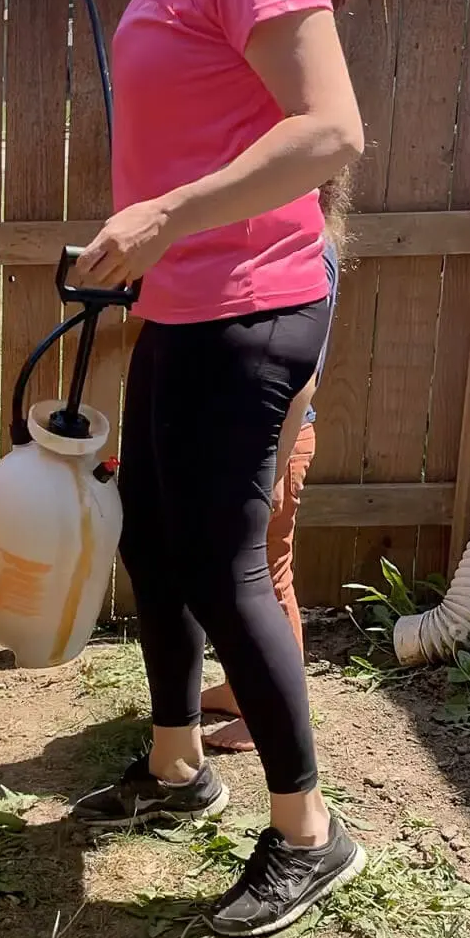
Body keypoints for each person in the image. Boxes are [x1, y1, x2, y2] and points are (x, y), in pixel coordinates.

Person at [0, 0, 366, 938]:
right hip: (193, 297)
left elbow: (330, 129)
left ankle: (308, 831)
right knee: (151, 535)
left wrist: (160, 217)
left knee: (220, 560)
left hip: (251, 302)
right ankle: (175, 766)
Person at [201, 192, 343, 753]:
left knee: (267, 573)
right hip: (241, 432)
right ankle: (244, 689)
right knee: (236, 572)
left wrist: (277, 464)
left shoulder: (310, 254)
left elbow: (299, 376)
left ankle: (274, 712)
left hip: (277, 436)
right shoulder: (275, 249)